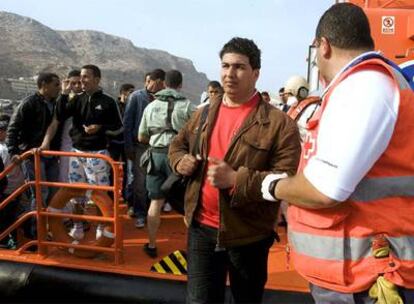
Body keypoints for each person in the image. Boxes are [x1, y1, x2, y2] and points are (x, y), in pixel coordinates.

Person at [262, 3, 414, 303]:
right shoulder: (359, 86)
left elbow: (324, 189)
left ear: (324, 46)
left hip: (367, 276)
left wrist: (269, 185)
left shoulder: (363, 85)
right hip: (355, 271)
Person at [169, 37, 301, 303]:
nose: (230, 74)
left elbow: (286, 177)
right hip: (201, 228)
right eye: (225, 66)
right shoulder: (203, 113)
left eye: (239, 67)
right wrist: (179, 161)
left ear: (255, 73)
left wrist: (235, 179)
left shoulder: (279, 124)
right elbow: (177, 145)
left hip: (249, 235)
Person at [54, 64, 123, 240]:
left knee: (99, 194)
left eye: (86, 77)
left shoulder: (108, 101)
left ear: (97, 79)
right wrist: (63, 93)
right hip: (76, 153)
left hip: (97, 154)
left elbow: (119, 128)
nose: (82, 80)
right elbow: (60, 115)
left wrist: (100, 128)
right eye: (81, 77)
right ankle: (78, 225)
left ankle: (101, 226)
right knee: (75, 193)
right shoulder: (76, 99)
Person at [138, 69, 195, 258]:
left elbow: (141, 136)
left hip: (155, 157)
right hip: (178, 159)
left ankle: (152, 245)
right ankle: (194, 249)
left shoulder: (151, 106)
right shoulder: (188, 107)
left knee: (155, 201)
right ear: (180, 84)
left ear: (164, 84)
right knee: (187, 204)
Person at [6, 72, 61, 238]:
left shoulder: (55, 103)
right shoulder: (28, 103)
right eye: (55, 84)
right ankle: (35, 234)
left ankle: (46, 229)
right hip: (32, 155)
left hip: (51, 155)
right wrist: (14, 151)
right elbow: (13, 128)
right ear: (44, 85)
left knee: (52, 192)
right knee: (38, 193)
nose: (58, 88)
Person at [123, 69, 165, 228]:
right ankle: (140, 213)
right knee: (139, 183)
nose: (150, 85)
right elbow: (127, 123)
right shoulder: (136, 97)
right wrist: (128, 147)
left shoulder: (164, 98)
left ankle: (151, 213)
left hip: (158, 147)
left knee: (154, 182)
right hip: (139, 147)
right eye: (148, 81)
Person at [57, 69, 82, 183]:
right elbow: (59, 116)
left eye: (79, 82)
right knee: (64, 175)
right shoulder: (63, 98)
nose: (77, 86)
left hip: (83, 143)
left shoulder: (89, 98)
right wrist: (64, 93)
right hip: (66, 143)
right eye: (73, 83)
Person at [283, 75, 320, 141]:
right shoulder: (293, 108)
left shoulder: (314, 109)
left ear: (302, 92)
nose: (288, 98)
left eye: (290, 94)